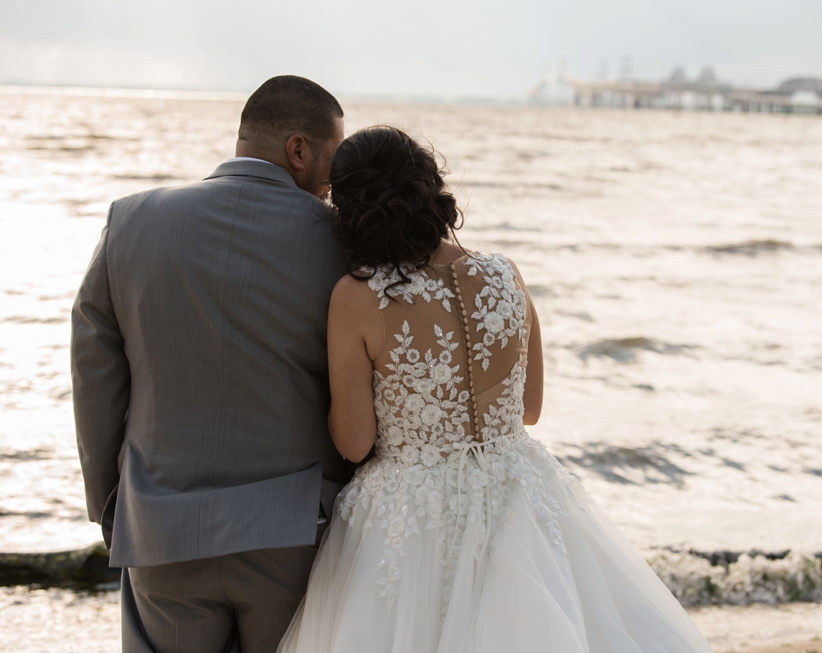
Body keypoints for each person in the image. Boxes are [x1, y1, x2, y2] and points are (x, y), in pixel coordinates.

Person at [278, 126, 713, 653]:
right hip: (519, 491)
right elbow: (530, 410)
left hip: (410, 512)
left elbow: (353, 442)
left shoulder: (358, 296)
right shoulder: (505, 274)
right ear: (430, 187)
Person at [71, 75, 350, 653]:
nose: (333, 181)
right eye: (332, 158)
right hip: (294, 530)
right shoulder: (342, 243)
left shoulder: (131, 221)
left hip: (162, 526)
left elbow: (93, 374)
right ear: (298, 150)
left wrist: (112, 508)